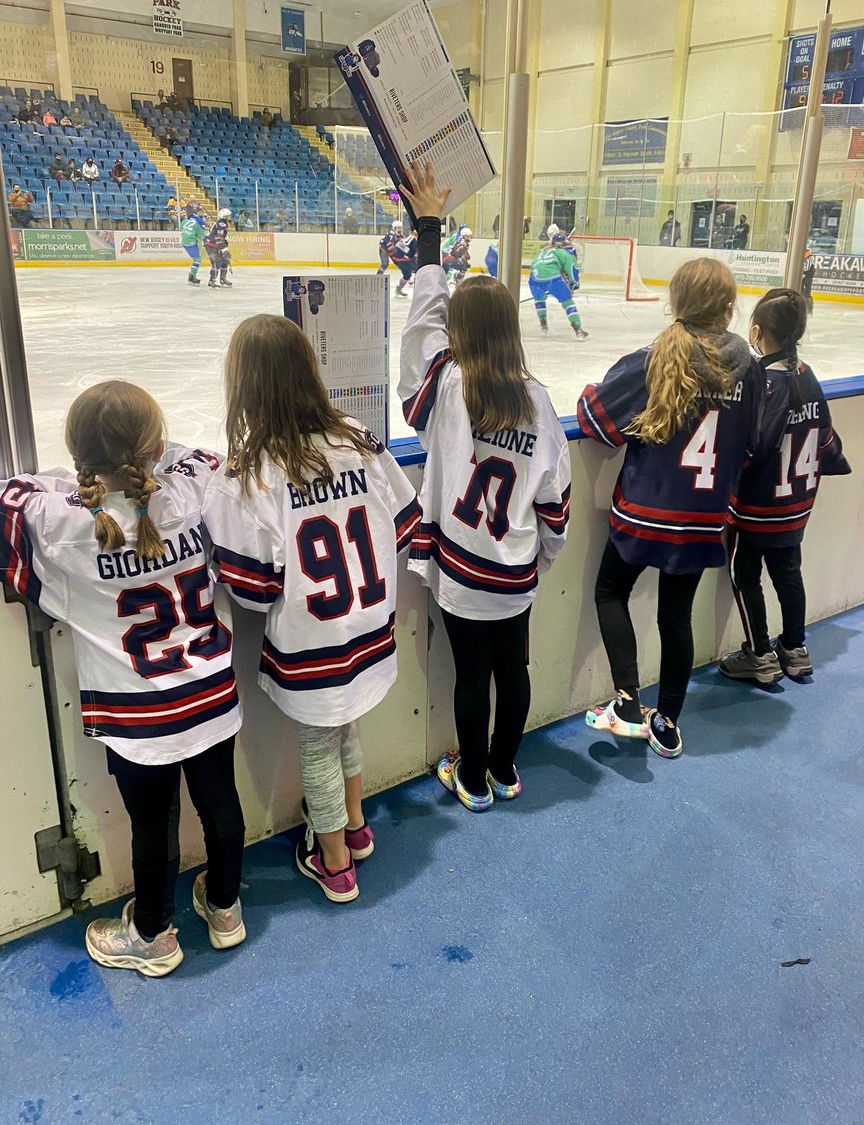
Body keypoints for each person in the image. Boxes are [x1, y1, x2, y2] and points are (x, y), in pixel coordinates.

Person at [0, 382, 246, 978]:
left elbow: (12, 497)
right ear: (154, 448)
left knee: (152, 827)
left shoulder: (64, 525)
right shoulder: (191, 488)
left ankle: (152, 935)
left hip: (136, 715)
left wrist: (67, 483)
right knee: (222, 805)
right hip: (210, 692)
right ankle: (225, 908)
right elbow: (199, 458)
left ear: (78, 455)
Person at [202, 314, 421, 902]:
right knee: (345, 726)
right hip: (369, 628)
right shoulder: (357, 437)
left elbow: (253, 589)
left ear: (243, 385)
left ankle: (335, 862)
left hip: (312, 642)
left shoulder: (247, 474)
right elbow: (406, 522)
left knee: (318, 747)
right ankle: (355, 826)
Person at [398, 159, 571, 810]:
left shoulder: (447, 387)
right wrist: (537, 558)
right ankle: (504, 768)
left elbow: (421, 327)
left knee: (471, 676)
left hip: (463, 573)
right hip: (514, 569)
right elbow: (555, 499)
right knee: (513, 671)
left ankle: (472, 780)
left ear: (460, 333)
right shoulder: (539, 400)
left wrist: (429, 234)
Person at [577, 257, 765, 759]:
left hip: (644, 511)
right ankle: (667, 724)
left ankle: (626, 701)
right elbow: (750, 445)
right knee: (676, 618)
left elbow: (595, 420)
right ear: (728, 306)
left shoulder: (657, 358)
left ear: (677, 301)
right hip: (705, 517)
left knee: (610, 590)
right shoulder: (751, 368)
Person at [719, 289, 850, 683]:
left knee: (745, 574)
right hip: (795, 506)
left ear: (756, 333)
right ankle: (795, 648)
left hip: (758, 509)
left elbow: (756, 446)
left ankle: (760, 654)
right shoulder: (807, 375)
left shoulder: (765, 383)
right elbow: (826, 439)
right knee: (789, 573)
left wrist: (728, 479)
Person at [528, 231, 588, 340]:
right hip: (553, 279)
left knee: (539, 298)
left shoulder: (543, 252)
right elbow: (572, 269)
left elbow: (534, 266)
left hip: (534, 279)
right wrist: (575, 283)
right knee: (567, 302)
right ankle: (578, 330)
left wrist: (541, 285)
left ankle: (543, 324)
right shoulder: (564, 253)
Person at [204, 208, 233, 287]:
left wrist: (225, 246)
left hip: (214, 244)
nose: (230, 217)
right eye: (228, 216)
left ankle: (223, 278)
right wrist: (225, 250)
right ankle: (212, 280)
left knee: (224, 260)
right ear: (224, 216)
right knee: (216, 262)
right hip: (210, 244)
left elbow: (221, 238)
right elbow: (218, 238)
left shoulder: (223, 223)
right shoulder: (221, 224)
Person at [181, 202, 206, 286]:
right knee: (197, 259)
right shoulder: (200, 221)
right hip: (190, 242)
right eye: (200, 211)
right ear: (196, 212)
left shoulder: (187, 219)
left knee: (196, 259)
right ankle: (191, 276)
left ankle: (192, 276)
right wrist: (206, 240)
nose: (202, 212)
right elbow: (201, 235)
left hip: (185, 240)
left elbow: (182, 226)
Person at [391, 229, 417, 297]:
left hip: (398, 258)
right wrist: (409, 255)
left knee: (407, 275)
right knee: (418, 271)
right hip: (403, 259)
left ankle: (398, 289)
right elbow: (415, 252)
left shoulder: (409, 237)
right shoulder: (415, 239)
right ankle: (418, 291)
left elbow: (398, 244)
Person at [801, 248, 815, 315]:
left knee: (806, 293)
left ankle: (808, 310)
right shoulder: (806, 255)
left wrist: (803, 273)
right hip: (806, 276)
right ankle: (806, 309)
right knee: (803, 292)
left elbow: (806, 268)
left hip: (807, 277)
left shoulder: (808, 256)